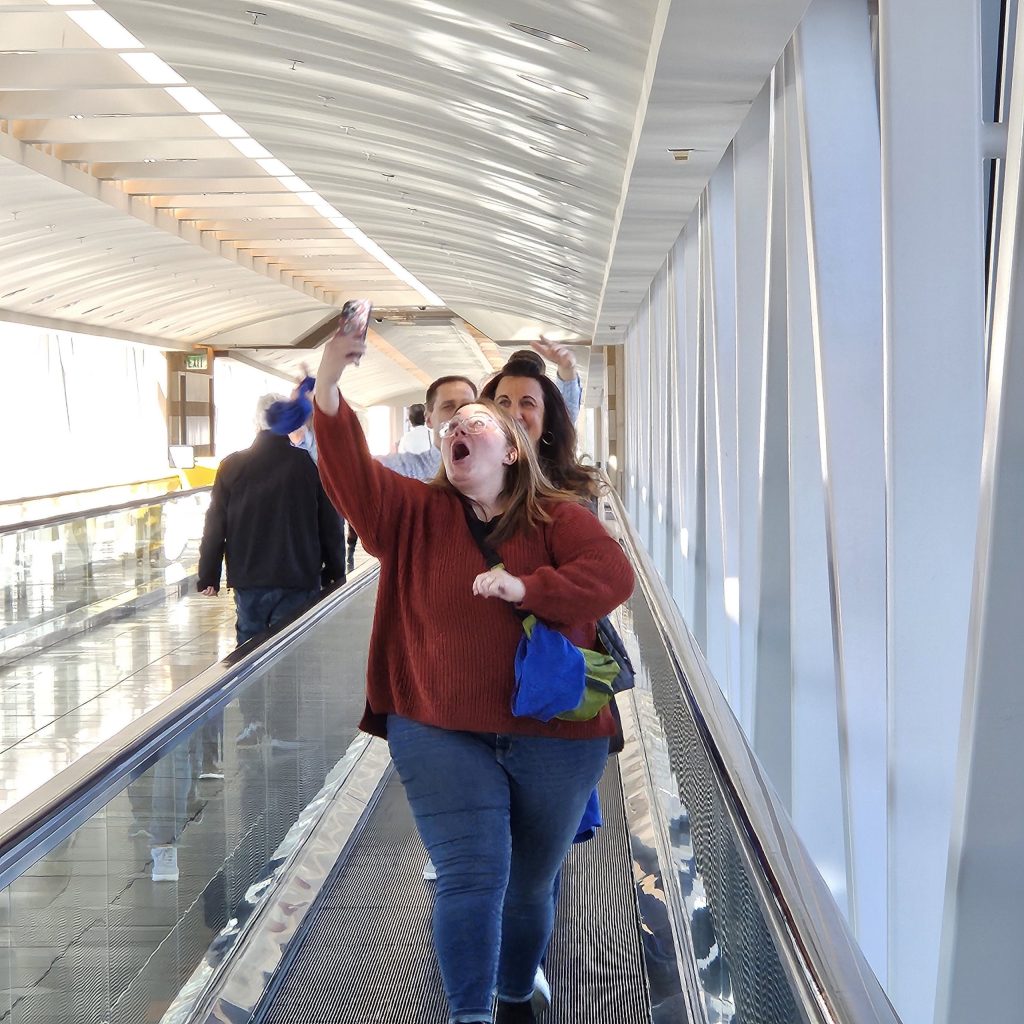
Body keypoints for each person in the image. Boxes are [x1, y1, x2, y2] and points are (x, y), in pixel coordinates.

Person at [312, 300, 634, 1024]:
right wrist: (329, 381)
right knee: (471, 876)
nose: (458, 427)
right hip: (437, 723)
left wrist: (528, 588)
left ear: (514, 448)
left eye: (477, 423)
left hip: (552, 735)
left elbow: (612, 577)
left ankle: (516, 991)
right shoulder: (412, 513)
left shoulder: (560, 518)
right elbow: (349, 472)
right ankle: (470, 1014)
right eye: (450, 424)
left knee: (528, 886)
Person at [197, 393, 346, 647]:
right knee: (294, 653)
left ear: (256, 423)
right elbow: (330, 522)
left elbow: (215, 524)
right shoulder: (309, 465)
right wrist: (335, 570)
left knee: (249, 655)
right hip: (299, 575)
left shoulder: (231, 466)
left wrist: (209, 574)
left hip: (249, 578)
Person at [480, 355, 603, 504]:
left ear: (547, 420)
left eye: (527, 403)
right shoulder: (470, 483)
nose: (513, 415)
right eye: (504, 402)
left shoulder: (575, 493)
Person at [378, 374, 478, 482]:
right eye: (448, 406)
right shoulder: (407, 469)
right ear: (428, 419)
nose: (460, 413)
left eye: (467, 406)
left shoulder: (492, 469)